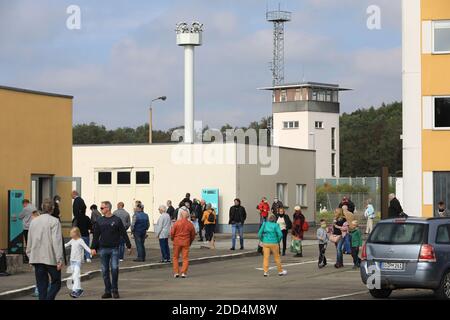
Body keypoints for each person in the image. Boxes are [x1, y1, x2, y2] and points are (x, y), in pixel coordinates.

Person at [91, 201, 132, 299]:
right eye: (101, 208)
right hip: (103, 249)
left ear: (108, 208)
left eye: (102, 208)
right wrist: (93, 247)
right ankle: (107, 291)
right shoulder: (100, 220)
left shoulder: (117, 220)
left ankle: (115, 290)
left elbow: (123, 233)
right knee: (104, 271)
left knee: (114, 269)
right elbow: (96, 235)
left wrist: (129, 245)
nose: (100, 209)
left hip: (114, 249)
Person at [26, 199, 63, 300]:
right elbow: (57, 241)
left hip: (36, 257)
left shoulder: (34, 221)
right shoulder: (54, 221)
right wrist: (59, 259)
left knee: (42, 285)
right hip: (51, 257)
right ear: (52, 209)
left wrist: (29, 255)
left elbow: (30, 239)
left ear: (42, 208)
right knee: (56, 282)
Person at [65, 227, 92, 298]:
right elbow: (66, 245)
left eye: (72, 233)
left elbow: (86, 247)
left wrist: (91, 252)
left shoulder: (80, 240)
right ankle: (78, 290)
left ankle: (76, 290)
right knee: (74, 276)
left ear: (76, 233)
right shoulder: (72, 240)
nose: (70, 234)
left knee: (76, 276)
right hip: (72, 261)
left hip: (77, 261)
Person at [170, 209, 196, 278]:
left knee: (175, 257)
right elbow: (193, 234)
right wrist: (190, 241)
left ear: (181, 215)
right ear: (187, 216)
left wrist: (172, 239)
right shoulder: (190, 224)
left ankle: (176, 272)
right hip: (186, 242)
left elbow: (172, 232)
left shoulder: (176, 223)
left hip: (177, 241)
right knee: (185, 258)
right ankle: (184, 272)